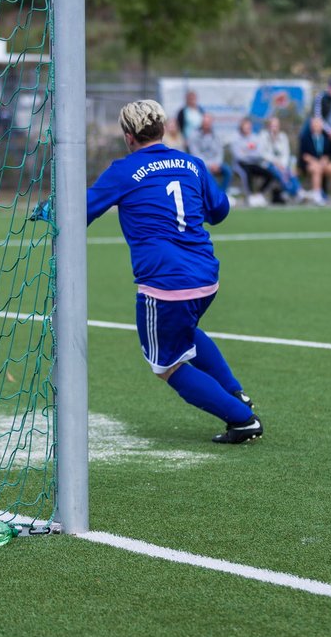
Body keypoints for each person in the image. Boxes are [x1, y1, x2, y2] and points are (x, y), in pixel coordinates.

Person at [85, 99, 261, 443]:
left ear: (128, 135)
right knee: (186, 332)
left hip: (165, 284)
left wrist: (45, 211)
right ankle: (235, 393)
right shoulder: (191, 163)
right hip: (206, 277)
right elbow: (220, 210)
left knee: (165, 365)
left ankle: (242, 419)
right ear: (164, 128)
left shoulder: (123, 170)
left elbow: (79, 211)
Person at [298, 115, 331, 205]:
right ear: (311, 126)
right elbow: (304, 155)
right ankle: (317, 195)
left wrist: (325, 159)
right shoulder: (305, 137)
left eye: (318, 124)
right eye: (315, 124)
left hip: (323, 163)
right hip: (310, 164)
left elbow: (329, 153)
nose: (316, 126)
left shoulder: (326, 137)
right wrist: (314, 161)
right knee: (317, 169)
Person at [231, 117, 275, 207]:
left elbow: (259, 154)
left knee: (270, 175)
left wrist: (246, 153)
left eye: (249, 127)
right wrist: (251, 153)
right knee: (246, 173)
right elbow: (239, 156)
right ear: (241, 127)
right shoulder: (235, 139)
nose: (247, 129)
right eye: (245, 127)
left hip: (254, 163)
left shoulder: (255, 138)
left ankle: (258, 195)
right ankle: (250, 196)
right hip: (241, 164)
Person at [187, 114, 231, 192]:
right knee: (207, 172)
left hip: (216, 164)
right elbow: (195, 154)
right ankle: (216, 195)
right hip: (202, 165)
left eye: (208, 123)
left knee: (227, 170)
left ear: (211, 123)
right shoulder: (194, 136)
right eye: (205, 123)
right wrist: (210, 165)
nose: (206, 125)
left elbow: (220, 152)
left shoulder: (217, 135)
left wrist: (217, 164)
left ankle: (222, 193)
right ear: (202, 123)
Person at [263, 117, 299, 203]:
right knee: (280, 173)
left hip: (283, 165)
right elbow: (264, 154)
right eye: (272, 126)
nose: (274, 128)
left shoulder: (283, 136)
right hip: (269, 164)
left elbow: (286, 153)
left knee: (292, 167)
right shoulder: (264, 136)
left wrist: (282, 165)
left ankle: (297, 190)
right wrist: (276, 162)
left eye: (276, 126)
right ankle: (290, 192)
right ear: (269, 127)